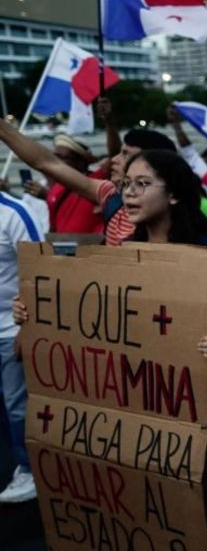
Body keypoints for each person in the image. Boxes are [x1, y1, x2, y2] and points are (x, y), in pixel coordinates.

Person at [13, 151, 207, 548]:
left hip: (195, 394)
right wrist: (35, 313)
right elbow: (96, 315)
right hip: (146, 391)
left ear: (173, 195)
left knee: (179, 486)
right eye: (126, 185)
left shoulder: (205, 253)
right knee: (206, 477)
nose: (129, 194)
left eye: (142, 185)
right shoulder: (126, 252)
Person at [0, 118, 176, 246]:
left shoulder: (196, 244)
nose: (114, 159)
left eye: (125, 154)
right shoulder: (111, 195)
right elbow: (46, 163)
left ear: (172, 194)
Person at [0, 190, 45, 504]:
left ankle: (31, 470)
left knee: (17, 406)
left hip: (10, 327)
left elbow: (40, 269)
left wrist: (28, 327)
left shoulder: (15, 212)